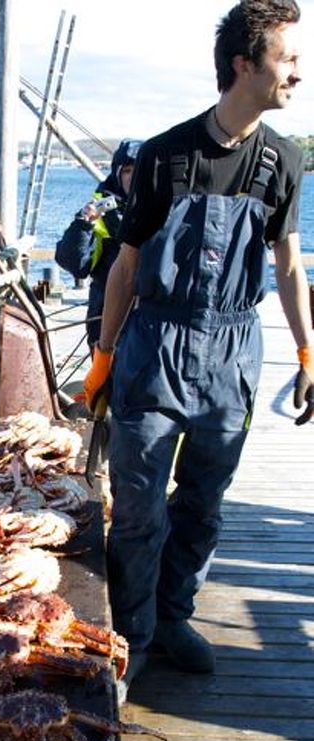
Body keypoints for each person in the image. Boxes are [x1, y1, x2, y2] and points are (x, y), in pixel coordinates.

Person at [83, 0, 313, 705]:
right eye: (289, 58)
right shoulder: (165, 155)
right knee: (141, 505)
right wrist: (104, 355)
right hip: (156, 348)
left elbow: (288, 263)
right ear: (244, 65)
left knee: (204, 504)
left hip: (234, 354)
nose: (299, 74)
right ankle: (132, 636)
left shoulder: (284, 160)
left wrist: (307, 353)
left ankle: (175, 617)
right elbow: (124, 267)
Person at [55, 139, 143, 351]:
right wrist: (83, 224)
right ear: (117, 173)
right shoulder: (98, 211)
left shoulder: (167, 209)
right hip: (106, 319)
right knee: (106, 382)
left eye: (139, 170)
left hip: (150, 322)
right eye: (127, 171)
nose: (133, 177)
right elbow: (77, 265)